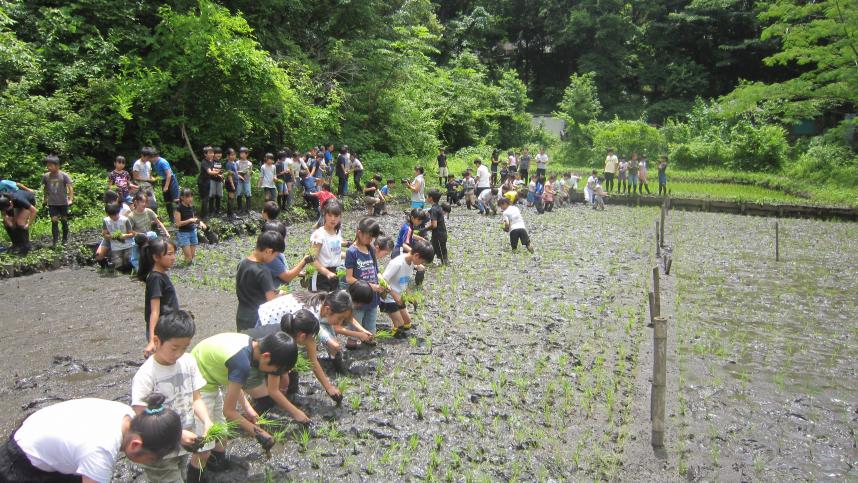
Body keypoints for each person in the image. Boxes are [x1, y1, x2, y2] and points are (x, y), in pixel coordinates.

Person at [0, 394, 181, 483]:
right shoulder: (100, 451)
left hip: (37, 434)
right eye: (150, 459)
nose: (149, 463)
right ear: (135, 445)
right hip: (20, 465)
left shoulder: (125, 414)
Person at [131, 310, 214, 483]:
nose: (178, 353)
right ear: (156, 341)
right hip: (159, 450)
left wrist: (206, 420)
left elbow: (196, 398)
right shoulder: (146, 375)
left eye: (184, 347)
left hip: (184, 442)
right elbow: (141, 418)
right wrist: (177, 434)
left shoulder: (189, 361)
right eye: (174, 348)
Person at [191, 330, 301, 461]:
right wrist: (260, 434)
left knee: (221, 440)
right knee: (205, 448)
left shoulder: (251, 345)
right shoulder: (242, 363)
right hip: (198, 383)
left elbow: (234, 383)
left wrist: (247, 408)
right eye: (275, 370)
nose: (274, 374)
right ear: (266, 356)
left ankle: (215, 469)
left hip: (211, 377)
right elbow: (229, 411)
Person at [257, 290, 372, 372]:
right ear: (328, 310)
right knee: (268, 359)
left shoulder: (331, 299)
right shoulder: (311, 315)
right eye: (339, 318)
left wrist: (362, 330)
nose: (341, 321)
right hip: (267, 321)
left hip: (273, 315)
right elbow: (322, 335)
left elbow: (346, 318)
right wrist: (357, 334)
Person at [380, 240, 434, 337]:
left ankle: (396, 324)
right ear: (416, 255)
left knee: (407, 323)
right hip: (387, 298)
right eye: (422, 261)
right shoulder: (397, 263)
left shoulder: (412, 263)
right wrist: (393, 294)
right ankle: (383, 335)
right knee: (400, 329)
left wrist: (410, 297)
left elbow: (405, 282)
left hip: (399, 298)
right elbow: (382, 281)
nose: (422, 264)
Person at [138, 237, 180, 358]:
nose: (174, 258)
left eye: (174, 254)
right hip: (160, 332)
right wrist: (152, 340)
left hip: (167, 328)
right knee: (162, 364)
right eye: (169, 254)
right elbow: (154, 311)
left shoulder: (160, 275)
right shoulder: (155, 278)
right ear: (156, 257)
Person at [236, 231, 283, 331]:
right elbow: (271, 301)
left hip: (241, 315)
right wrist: (280, 295)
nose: (274, 259)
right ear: (268, 251)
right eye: (275, 255)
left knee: (244, 344)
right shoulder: (263, 271)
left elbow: (252, 287)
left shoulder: (242, 263)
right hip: (257, 318)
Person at [345, 218, 384, 335]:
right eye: (368, 237)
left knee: (371, 324)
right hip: (359, 296)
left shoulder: (370, 249)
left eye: (372, 238)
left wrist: (382, 281)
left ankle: (368, 339)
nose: (370, 240)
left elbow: (376, 270)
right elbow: (349, 278)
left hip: (373, 297)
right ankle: (352, 342)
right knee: (356, 323)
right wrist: (372, 286)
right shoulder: (352, 252)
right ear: (359, 232)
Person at [262, 220, 312, 289]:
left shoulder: (277, 251)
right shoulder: (271, 257)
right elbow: (287, 277)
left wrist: (298, 273)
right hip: (275, 295)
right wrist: (304, 261)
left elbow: (282, 270)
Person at [129, 192, 169, 271]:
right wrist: (139, 235)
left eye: (145, 202)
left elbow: (158, 222)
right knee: (135, 255)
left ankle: (159, 264)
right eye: (142, 202)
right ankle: (140, 270)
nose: (144, 204)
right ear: (136, 202)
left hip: (149, 234)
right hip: (138, 237)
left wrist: (166, 232)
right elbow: (130, 230)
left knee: (154, 236)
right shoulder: (131, 215)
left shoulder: (148, 211)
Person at [310, 199, 344, 292]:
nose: (333, 219)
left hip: (335, 273)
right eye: (330, 215)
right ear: (324, 215)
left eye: (336, 216)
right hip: (320, 276)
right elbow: (312, 259)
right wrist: (327, 273)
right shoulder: (319, 235)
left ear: (340, 217)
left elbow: (334, 252)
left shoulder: (337, 233)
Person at [42, 154, 74, 246]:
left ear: (57, 166)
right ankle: (55, 241)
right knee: (54, 221)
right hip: (52, 202)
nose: (49, 167)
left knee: (64, 220)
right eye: (48, 165)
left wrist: (70, 199)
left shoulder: (64, 175)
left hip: (63, 202)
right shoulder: (46, 176)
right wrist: (45, 199)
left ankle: (64, 239)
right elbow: (45, 188)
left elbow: (70, 188)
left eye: (51, 165)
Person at [0, 180, 36, 254]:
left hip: (29, 201)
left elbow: (34, 210)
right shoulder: (3, 199)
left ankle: (26, 245)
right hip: (13, 204)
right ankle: (16, 244)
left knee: (20, 222)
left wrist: (28, 224)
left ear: (10, 203)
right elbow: (3, 213)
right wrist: (8, 222)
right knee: (8, 222)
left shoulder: (19, 199)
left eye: (9, 208)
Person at [148, 147, 180, 224]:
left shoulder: (163, 162)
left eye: (150, 157)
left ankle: (183, 216)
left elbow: (169, 175)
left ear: (154, 156)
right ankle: (172, 219)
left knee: (176, 200)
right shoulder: (154, 162)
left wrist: (166, 186)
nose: (149, 159)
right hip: (164, 180)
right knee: (167, 201)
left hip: (171, 180)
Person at [174, 189, 206, 265]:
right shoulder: (179, 208)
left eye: (191, 196)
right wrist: (190, 220)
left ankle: (187, 267)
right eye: (188, 197)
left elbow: (194, 219)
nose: (190, 198)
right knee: (188, 258)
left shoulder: (191, 206)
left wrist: (201, 223)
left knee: (192, 257)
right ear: (182, 197)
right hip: (183, 234)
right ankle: (183, 271)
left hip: (192, 231)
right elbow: (178, 224)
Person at [426, 189, 449, 265]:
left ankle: (445, 263)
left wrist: (425, 229)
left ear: (431, 198)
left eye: (427, 196)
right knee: (431, 248)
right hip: (441, 233)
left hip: (439, 235)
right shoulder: (438, 207)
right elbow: (426, 214)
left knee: (441, 251)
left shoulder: (434, 209)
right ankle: (426, 262)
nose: (426, 198)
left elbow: (434, 225)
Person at [197, 146, 213, 220]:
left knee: (206, 198)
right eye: (210, 153)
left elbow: (213, 169)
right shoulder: (204, 162)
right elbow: (209, 172)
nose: (212, 154)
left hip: (207, 181)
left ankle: (203, 214)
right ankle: (204, 216)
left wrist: (218, 173)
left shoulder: (210, 161)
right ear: (205, 154)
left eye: (212, 152)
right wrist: (217, 173)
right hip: (203, 182)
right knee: (205, 198)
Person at [236, 147, 253, 213]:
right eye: (241, 153)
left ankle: (248, 208)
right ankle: (239, 208)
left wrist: (250, 173)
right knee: (239, 193)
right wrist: (241, 172)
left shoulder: (249, 163)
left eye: (243, 153)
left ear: (247, 154)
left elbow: (251, 172)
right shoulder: (237, 162)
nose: (242, 155)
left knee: (248, 193)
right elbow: (236, 171)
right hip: (239, 180)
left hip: (247, 180)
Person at [209, 147, 225, 215]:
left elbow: (220, 171)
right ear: (214, 154)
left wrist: (223, 178)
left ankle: (217, 211)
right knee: (212, 196)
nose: (219, 155)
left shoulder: (219, 162)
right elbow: (211, 172)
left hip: (219, 181)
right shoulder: (210, 161)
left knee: (219, 196)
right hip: (212, 180)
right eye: (217, 153)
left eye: (220, 153)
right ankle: (211, 211)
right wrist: (219, 175)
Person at [223, 148, 238, 218]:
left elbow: (235, 172)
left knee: (232, 198)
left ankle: (230, 213)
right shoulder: (228, 164)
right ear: (228, 156)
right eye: (231, 155)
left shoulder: (234, 163)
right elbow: (229, 175)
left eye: (234, 155)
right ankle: (230, 214)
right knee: (231, 198)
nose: (233, 156)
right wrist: (232, 185)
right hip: (230, 183)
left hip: (235, 182)